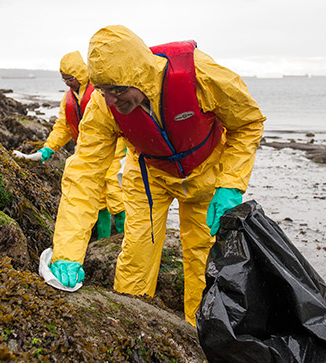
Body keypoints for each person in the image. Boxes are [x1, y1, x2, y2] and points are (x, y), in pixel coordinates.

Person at [49, 25, 266, 326]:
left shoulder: (200, 74)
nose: (111, 100)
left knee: (202, 257)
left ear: (137, 73)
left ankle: (199, 331)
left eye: (117, 90)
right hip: (148, 175)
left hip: (205, 171)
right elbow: (85, 173)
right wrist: (67, 251)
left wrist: (230, 184)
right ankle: (129, 323)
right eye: (103, 90)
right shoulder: (103, 106)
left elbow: (248, 123)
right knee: (137, 250)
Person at [36, 51, 126, 240]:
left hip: (113, 146)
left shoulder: (100, 91)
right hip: (87, 149)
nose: (68, 83)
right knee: (98, 197)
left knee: (115, 190)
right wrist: (48, 148)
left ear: (79, 73)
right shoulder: (68, 99)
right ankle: (103, 241)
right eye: (64, 80)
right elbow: (63, 127)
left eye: (70, 78)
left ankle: (123, 238)